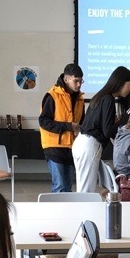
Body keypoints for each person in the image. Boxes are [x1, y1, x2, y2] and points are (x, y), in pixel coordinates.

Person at [72, 66, 130, 193]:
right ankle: (83, 213)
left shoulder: (100, 96)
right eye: (129, 85)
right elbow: (107, 131)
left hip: (81, 143)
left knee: (83, 188)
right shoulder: (108, 99)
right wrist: (124, 119)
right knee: (85, 191)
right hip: (89, 145)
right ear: (120, 83)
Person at [38, 63, 85, 193]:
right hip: (54, 147)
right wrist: (68, 126)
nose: (79, 85)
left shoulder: (80, 99)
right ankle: (56, 213)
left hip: (71, 147)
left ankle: (68, 213)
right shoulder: (52, 96)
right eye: (76, 81)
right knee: (59, 186)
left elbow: (81, 122)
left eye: (81, 81)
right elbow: (43, 121)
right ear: (66, 79)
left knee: (68, 187)